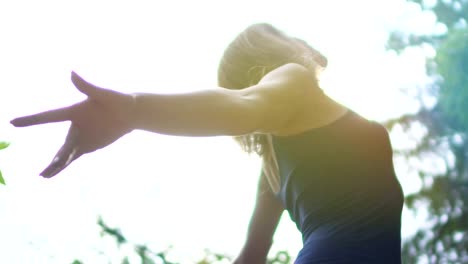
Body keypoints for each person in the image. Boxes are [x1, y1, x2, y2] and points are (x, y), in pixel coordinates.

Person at [11, 23, 404, 263]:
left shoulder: (273, 168)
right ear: (274, 52)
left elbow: (250, 259)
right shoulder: (292, 79)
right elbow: (247, 103)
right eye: (283, 36)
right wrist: (132, 110)